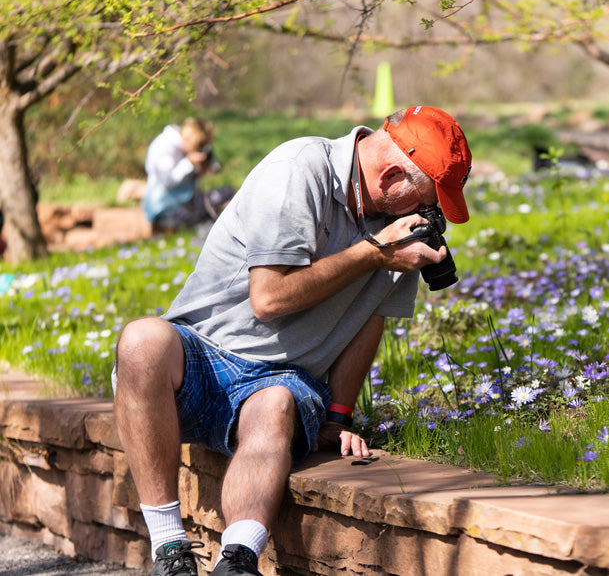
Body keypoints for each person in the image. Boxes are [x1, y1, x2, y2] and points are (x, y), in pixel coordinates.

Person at [113, 106, 472, 576]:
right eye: (428, 199)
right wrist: (372, 253)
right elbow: (269, 298)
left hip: (279, 382)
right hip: (203, 356)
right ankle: (170, 551)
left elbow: (371, 318)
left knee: (278, 404)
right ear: (388, 176)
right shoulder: (299, 170)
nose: (430, 213)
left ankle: (238, 560)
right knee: (142, 340)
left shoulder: (398, 230)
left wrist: (338, 415)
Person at [142, 117, 230, 232]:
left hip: (179, 198)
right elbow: (167, 182)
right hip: (161, 205)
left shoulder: (184, 142)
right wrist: (188, 162)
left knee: (226, 193)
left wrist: (202, 167)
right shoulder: (165, 147)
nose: (200, 150)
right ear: (192, 141)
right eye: (199, 146)